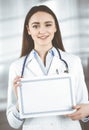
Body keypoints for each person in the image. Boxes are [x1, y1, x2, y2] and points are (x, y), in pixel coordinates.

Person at [6, 5, 89, 130]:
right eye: (35, 26)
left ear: (55, 27)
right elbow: (13, 123)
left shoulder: (73, 62)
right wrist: (20, 103)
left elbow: (84, 108)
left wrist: (86, 111)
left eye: (48, 24)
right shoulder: (17, 67)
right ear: (28, 30)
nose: (42, 30)